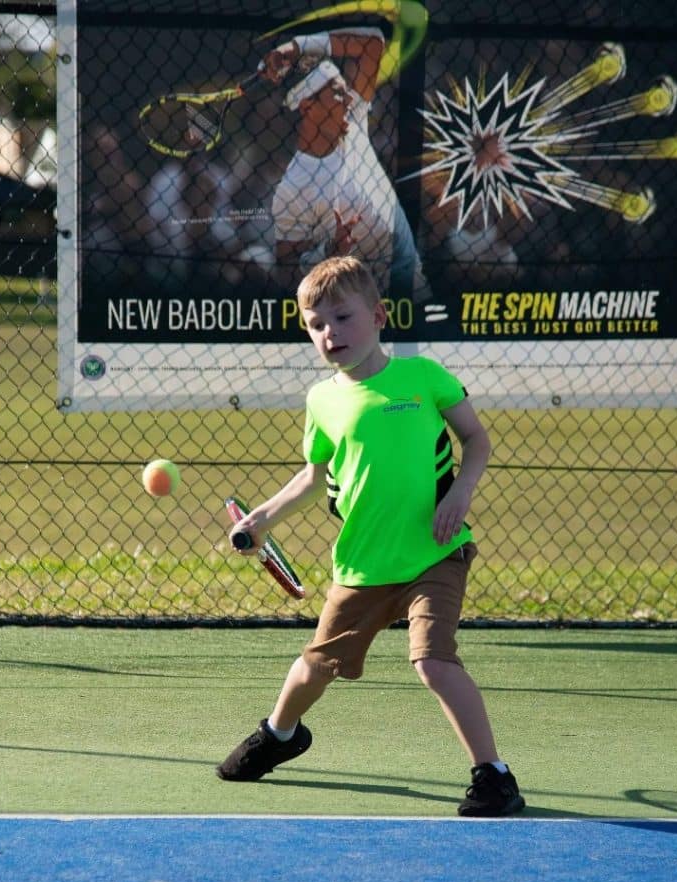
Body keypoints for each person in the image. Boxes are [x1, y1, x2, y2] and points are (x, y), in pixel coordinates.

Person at [217, 256, 524, 818]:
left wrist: (461, 495)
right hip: (362, 564)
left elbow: (476, 440)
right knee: (316, 663)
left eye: (343, 317)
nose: (330, 332)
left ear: (379, 316)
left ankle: (494, 776)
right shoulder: (322, 400)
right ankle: (280, 735)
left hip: (436, 552)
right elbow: (312, 477)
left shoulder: (423, 376)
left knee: (432, 660)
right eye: (317, 324)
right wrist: (259, 519)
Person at [261, 27, 429, 301]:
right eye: (339, 94)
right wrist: (329, 251)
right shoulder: (292, 188)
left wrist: (296, 46)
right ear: (307, 107)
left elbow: (373, 43)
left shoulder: (353, 120)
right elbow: (288, 273)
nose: (350, 99)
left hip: (413, 292)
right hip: (354, 309)